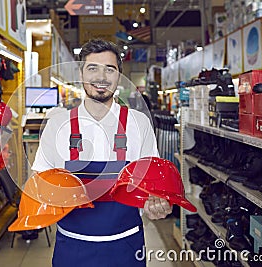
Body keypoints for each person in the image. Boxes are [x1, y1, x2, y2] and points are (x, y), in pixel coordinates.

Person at [31, 39, 172, 266]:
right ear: (81, 74)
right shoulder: (58, 124)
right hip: (72, 248)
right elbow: (39, 182)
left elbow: (150, 185)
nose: (101, 77)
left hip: (126, 247)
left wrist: (155, 204)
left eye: (110, 69)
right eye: (92, 68)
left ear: (119, 76)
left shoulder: (139, 123)